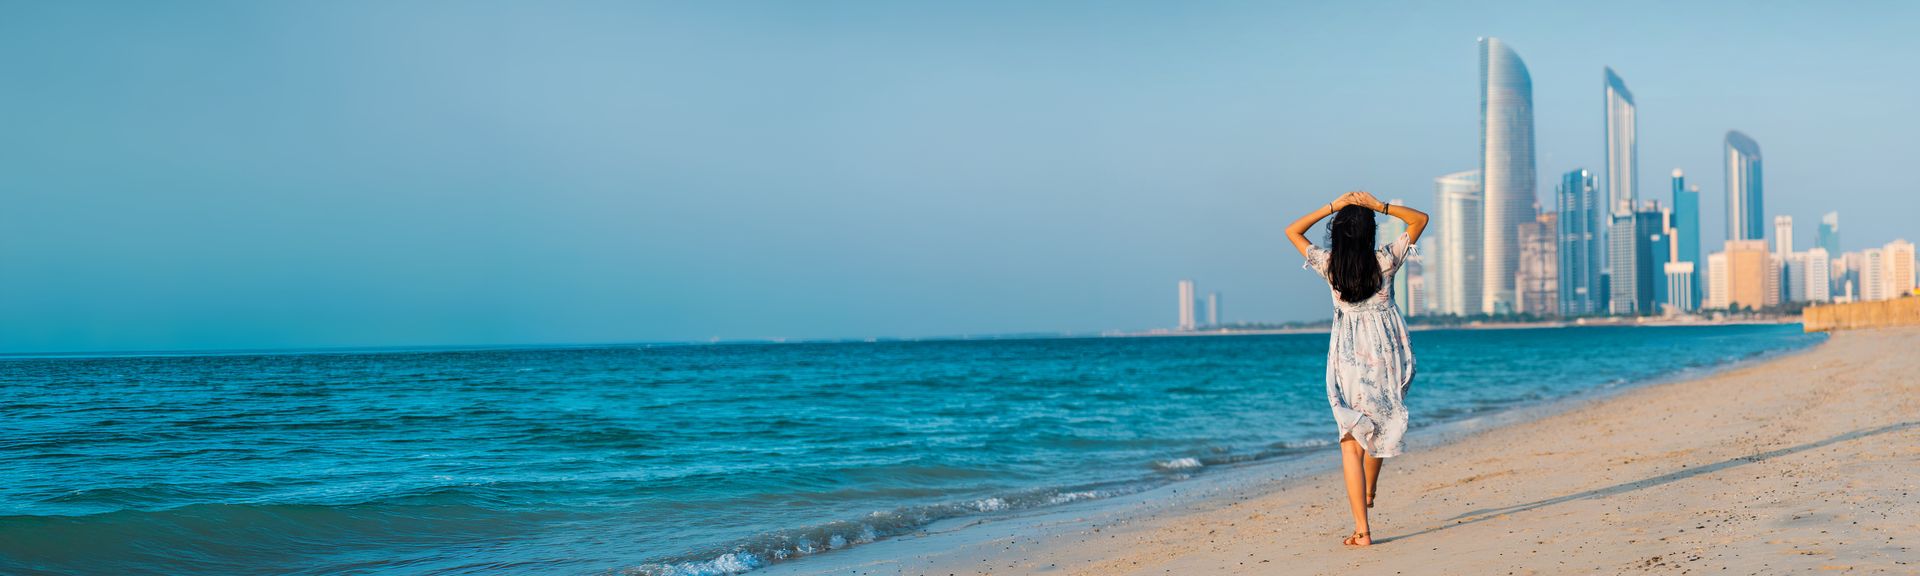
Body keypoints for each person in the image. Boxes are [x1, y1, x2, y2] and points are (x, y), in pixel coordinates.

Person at [1283, 190, 1427, 547]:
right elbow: (1420, 219)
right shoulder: (1385, 261)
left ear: (1337, 235)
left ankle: (1362, 531)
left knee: (1350, 439)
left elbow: (1292, 231)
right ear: (1369, 233)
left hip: (1348, 360)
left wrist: (1332, 206)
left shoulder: (1329, 265)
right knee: (1380, 424)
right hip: (1385, 357)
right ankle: (1370, 488)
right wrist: (1380, 206)